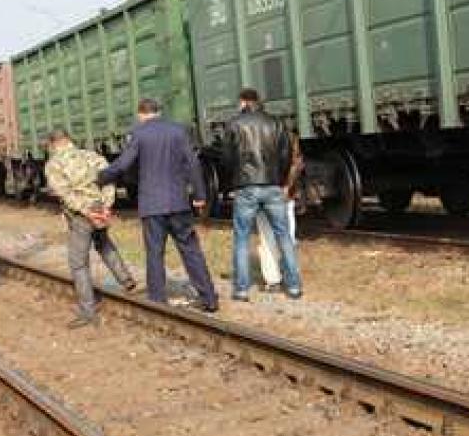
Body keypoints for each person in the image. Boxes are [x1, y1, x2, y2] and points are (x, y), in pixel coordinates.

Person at [96, 98, 218, 313]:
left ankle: (158, 301)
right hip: (179, 202)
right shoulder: (178, 131)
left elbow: (123, 164)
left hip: (152, 204)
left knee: (154, 252)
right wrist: (200, 195)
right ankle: (209, 298)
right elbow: (193, 163)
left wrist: (100, 178)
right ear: (159, 112)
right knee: (191, 250)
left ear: (140, 114)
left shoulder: (139, 134)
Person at [43, 129, 136, 328]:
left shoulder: (54, 165)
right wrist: (106, 205)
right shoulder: (92, 156)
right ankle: (126, 279)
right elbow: (108, 180)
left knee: (78, 263)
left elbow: (64, 194)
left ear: (53, 144)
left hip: (81, 216)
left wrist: (86, 211)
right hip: (99, 208)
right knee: (103, 243)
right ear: (70, 139)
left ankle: (88, 311)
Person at [222, 88, 302, 302]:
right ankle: (294, 286)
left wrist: (237, 176)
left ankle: (241, 290)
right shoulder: (277, 124)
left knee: (241, 238)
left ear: (244, 102)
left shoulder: (234, 124)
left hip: (246, 187)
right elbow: (286, 156)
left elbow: (227, 158)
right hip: (273, 186)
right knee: (284, 235)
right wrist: (279, 178)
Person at [257, 129, 303, 291]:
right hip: (285, 197)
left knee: (267, 237)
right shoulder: (289, 136)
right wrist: (287, 188)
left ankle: (273, 280)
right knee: (287, 236)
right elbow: (297, 163)